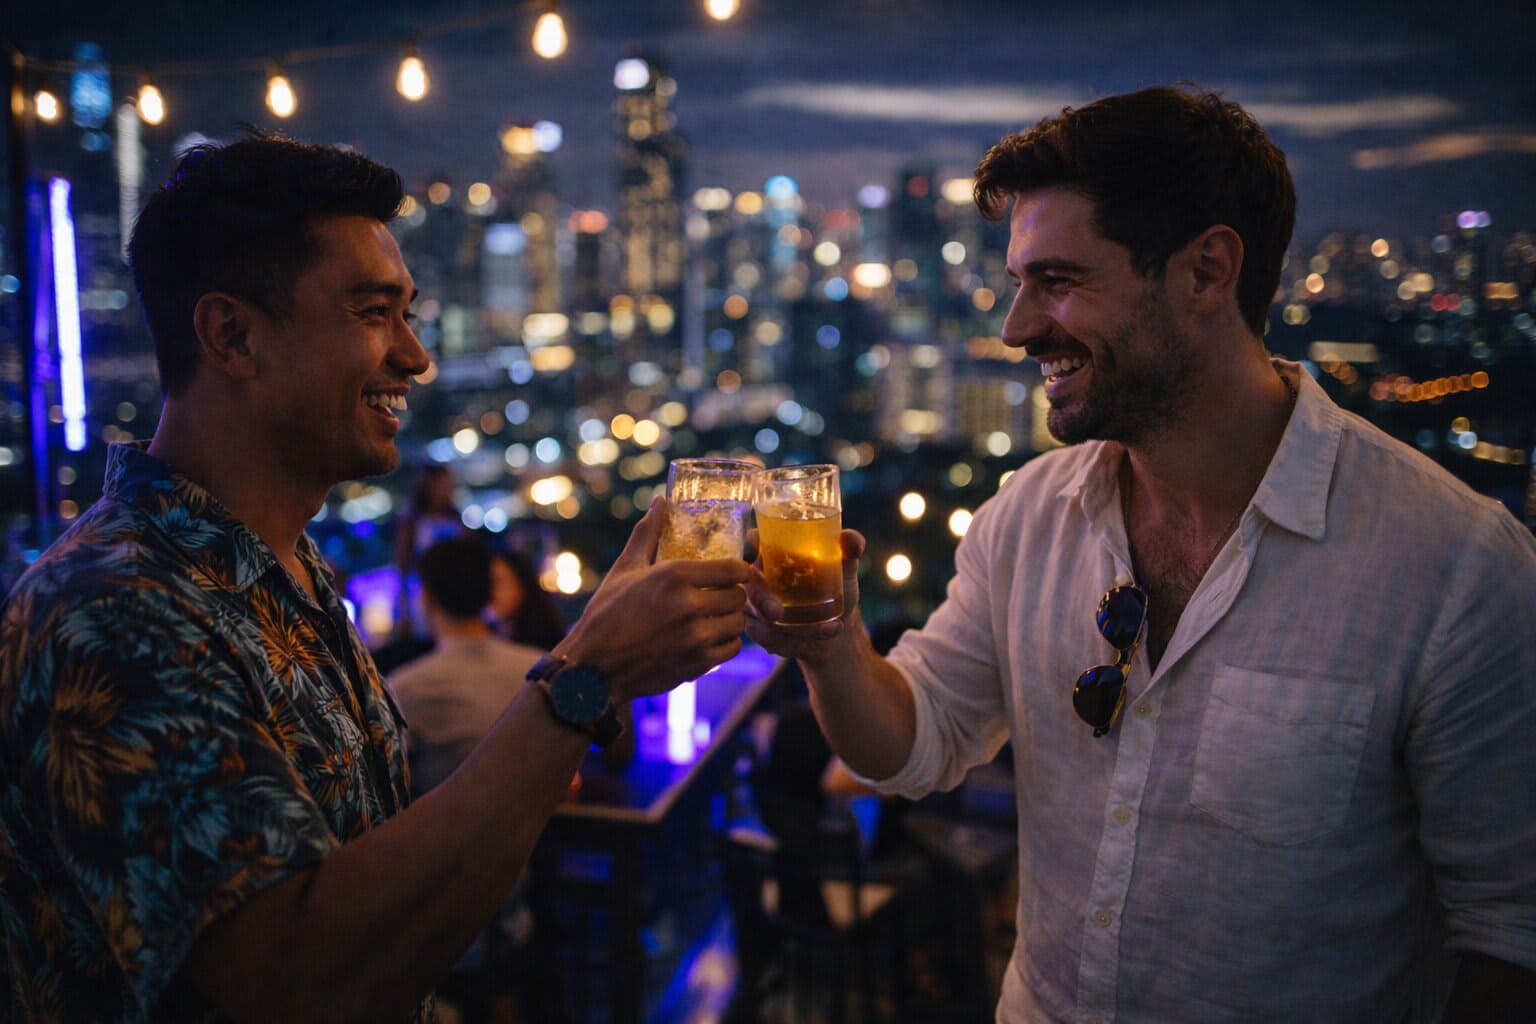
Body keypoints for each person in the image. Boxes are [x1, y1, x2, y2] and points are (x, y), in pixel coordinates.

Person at [746, 86, 1536, 1023]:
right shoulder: (1026, 518)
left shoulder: (1457, 571)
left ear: (1206, 272)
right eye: (1018, 282)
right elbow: (914, 743)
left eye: (1061, 281)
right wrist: (832, 648)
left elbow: (1509, 937)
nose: (1016, 327)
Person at [0, 133, 750, 1023]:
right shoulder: (114, 612)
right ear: (231, 334)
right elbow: (303, 985)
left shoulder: (287, 569)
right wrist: (581, 679)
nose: (414, 356)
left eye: (410, 313)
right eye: (370, 312)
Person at [387, 536, 549, 797]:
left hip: (444, 833)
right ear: (489, 594)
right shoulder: (539, 668)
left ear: (427, 599)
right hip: (544, 830)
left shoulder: (405, 688)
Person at [488, 548, 566, 651]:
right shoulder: (492, 632)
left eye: (499, 582)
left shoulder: (541, 640)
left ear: (523, 585)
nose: (492, 592)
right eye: (489, 583)